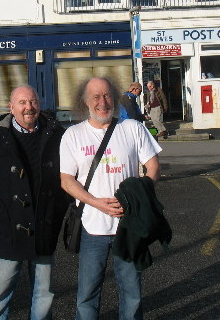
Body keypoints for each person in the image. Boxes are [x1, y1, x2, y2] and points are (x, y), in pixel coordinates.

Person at [60, 77, 162, 320]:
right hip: (92, 227)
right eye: (95, 96)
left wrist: (138, 197)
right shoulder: (73, 135)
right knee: (87, 294)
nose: (102, 102)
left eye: (106, 96)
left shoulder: (133, 129)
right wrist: (96, 203)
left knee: (132, 293)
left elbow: (153, 166)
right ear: (84, 101)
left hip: (128, 228)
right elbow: (66, 181)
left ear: (114, 99)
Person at [0, 85, 68, 320]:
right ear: (11, 108)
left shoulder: (56, 134)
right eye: (22, 103)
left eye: (32, 101)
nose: (28, 108)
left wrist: (58, 208)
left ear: (39, 104)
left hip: (44, 227)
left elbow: (69, 175)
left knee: (44, 295)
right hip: (8, 228)